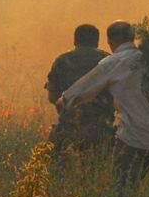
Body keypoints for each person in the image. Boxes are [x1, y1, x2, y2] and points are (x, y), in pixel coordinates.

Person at [58, 21, 149, 197]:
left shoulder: (113, 62)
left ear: (110, 41)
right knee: (131, 187)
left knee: (120, 193)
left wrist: (64, 100)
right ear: (133, 37)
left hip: (133, 138)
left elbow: (83, 89)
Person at [45, 24, 116, 173]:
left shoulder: (62, 61)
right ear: (97, 42)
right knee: (98, 175)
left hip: (68, 126)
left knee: (58, 173)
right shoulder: (108, 61)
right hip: (101, 127)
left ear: (75, 40)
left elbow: (52, 97)